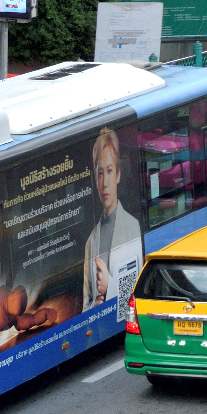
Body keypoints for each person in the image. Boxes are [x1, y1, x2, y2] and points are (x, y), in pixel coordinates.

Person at [81, 127, 145, 314]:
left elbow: (137, 288)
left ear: (118, 174)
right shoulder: (91, 241)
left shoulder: (133, 226)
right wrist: (94, 306)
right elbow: (86, 304)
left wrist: (110, 287)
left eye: (109, 171)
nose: (104, 183)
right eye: (100, 173)